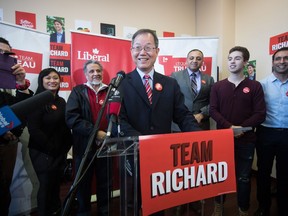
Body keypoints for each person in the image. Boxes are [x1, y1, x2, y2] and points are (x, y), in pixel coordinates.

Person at [118, 28, 201, 216]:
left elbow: (182, 114)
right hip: (132, 154)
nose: (142, 52)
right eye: (138, 48)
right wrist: (143, 143)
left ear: (157, 51)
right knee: (131, 203)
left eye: (148, 47)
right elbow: (118, 119)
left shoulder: (170, 83)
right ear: (131, 51)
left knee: (157, 205)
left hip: (161, 156)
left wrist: (197, 134)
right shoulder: (121, 82)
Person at [209, 46, 266, 216]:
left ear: (246, 62)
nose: (232, 62)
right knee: (219, 177)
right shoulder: (218, 86)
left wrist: (241, 129)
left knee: (243, 178)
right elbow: (213, 110)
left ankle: (243, 208)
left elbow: (260, 113)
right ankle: (218, 206)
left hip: (246, 140)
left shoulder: (255, 86)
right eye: (230, 58)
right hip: (222, 139)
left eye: (237, 58)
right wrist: (229, 127)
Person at [65, 60, 110, 216]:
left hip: (106, 146)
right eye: (91, 71)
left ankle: (105, 211)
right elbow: (72, 118)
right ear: (85, 74)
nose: (95, 73)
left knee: (105, 182)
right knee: (83, 183)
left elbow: (117, 115)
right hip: (84, 146)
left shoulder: (111, 91)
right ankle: (84, 212)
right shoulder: (78, 91)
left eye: (98, 70)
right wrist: (95, 132)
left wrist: (108, 134)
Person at [27, 68, 72, 216]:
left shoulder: (61, 101)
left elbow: (65, 126)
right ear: (41, 81)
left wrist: (65, 147)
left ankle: (56, 211)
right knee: (45, 186)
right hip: (42, 151)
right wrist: (51, 148)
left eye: (55, 78)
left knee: (55, 186)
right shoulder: (35, 101)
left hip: (59, 151)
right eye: (48, 78)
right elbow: (34, 130)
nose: (52, 81)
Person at [0, 37, 33, 216]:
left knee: (4, 193)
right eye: (0, 53)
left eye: (7, 53)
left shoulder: (8, 85)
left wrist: (21, 83)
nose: (4, 57)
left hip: (7, 148)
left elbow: (21, 114)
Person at [254, 47, 288, 216]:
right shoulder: (262, 85)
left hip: (287, 135)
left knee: (285, 174)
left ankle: (283, 207)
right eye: (278, 58)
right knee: (263, 172)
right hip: (266, 133)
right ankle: (263, 207)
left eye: (286, 58)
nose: (282, 61)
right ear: (273, 62)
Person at [171, 49, 214, 131]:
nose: (194, 61)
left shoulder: (209, 79)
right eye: (191, 58)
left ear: (202, 62)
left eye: (198, 58)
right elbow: (172, 99)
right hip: (179, 125)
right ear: (186, 60)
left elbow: (213, 101)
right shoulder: (175, 76)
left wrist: (201, 114)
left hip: (201, 124)